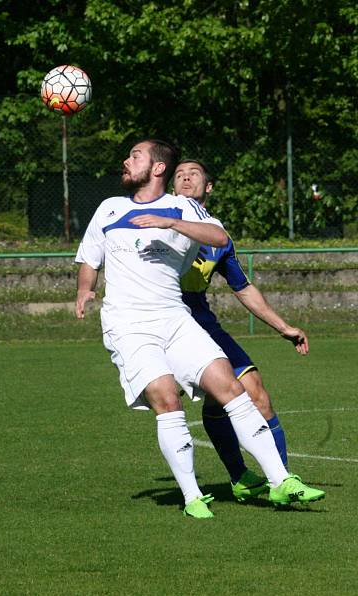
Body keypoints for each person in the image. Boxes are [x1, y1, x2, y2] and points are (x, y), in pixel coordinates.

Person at [74, 139, 324, 518]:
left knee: (232, 388)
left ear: (156, 168)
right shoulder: (109, 208)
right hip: (129, 325)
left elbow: (220, 239)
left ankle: (280, 480)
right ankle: (193, 497)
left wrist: (171, 221)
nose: (125, 161)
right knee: (166, 397)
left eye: (134, 156)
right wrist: (84, 290)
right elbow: (90, 256)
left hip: (176, 318)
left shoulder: (182, 208)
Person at [174, 159, 309, 501]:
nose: (186, 177)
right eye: (179, 174)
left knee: (256, 391)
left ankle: (283, 482)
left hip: (201, 318)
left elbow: (243, 287)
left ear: (209, 186)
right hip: (166, 319)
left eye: (194, 173)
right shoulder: (160, 224)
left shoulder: (218, 237)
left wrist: (283, 326)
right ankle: (240, 477)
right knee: (218, 394)